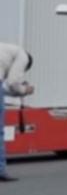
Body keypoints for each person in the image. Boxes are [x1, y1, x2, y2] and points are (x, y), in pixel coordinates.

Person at [1, 43, 35, 183]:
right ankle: (0, 171)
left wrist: (18, 91)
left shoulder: (6, 51)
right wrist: (25, 90)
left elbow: (5, 88)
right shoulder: (23, 56)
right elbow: (13, 83)